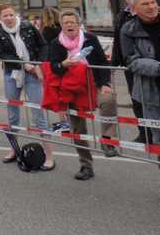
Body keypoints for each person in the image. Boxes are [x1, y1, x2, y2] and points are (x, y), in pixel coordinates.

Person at [45, 9, 115, 181]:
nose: (69, 25)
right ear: (61, 26)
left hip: (94, 83)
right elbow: (53, 66)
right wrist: (64, 64)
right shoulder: (56, 43)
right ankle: (86, 165)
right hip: (72, 88)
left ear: (78, 24)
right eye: (66, 23)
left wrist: (105, 83)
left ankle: (107, 140)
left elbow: (102, 62)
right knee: (77, 129)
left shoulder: (90, 39)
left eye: (72, 22)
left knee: (108, 99)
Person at [120, 0, 160, 202]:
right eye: (145, 4)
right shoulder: (128, 30)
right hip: (151, 92)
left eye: (153, 2)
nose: (152, 7)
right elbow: (131, 61)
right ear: (134, 8)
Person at [0, 3, 55, 170]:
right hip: (12, 74)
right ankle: (14, 150)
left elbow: (43, 46)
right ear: (0, 17)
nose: (9, 18)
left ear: (16, 14)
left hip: (33, 73)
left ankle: (49, 157)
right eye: (5, 16)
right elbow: (2, 54)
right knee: (12, 115)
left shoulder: (27, 27)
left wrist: (37, 65)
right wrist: (22, 64)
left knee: (38, 112)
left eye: (11, 15)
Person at [112, 0, 153, 144]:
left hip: (150, 64)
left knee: (155, 101)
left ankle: (158, 133)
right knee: (137, 100)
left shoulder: (151, 15)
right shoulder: (123, 16)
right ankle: (144, 134)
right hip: (131, 65)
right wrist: (114, 63)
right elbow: (118, 41)